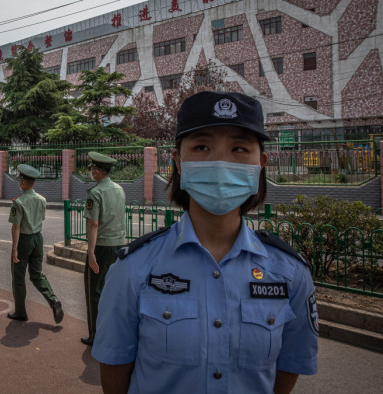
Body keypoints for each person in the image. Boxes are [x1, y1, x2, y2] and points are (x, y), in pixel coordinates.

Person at [92, 91, 319, 393]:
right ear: (178, 161)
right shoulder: (133, 269)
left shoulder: (291, 274)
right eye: (201, 146)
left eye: (239, 148)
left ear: (260, 163)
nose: (221, 163)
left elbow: (289, 366)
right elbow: (115, 373)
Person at [7, 164, 64, 324]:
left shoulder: (18, 202)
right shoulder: (42, 199)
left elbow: (16, 226)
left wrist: (14, 248)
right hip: (38, 239)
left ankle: (20, 312)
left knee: (18, 277)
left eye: (20, 178)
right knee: (37, 274)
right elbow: (40, 219)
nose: (19, 181)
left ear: (23, 181)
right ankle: (53, 299)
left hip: (24, 239)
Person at [81, 151, 126, 346]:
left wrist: (90, 251)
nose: (92, 171)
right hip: (118, 245)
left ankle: (95, 334)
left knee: (94, 292)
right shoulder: (119, 189)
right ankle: (114, 331)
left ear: (98, 171)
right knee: (113, 291)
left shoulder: (95, 192)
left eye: (93, 168)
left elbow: (93, 224)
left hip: (101, 247)